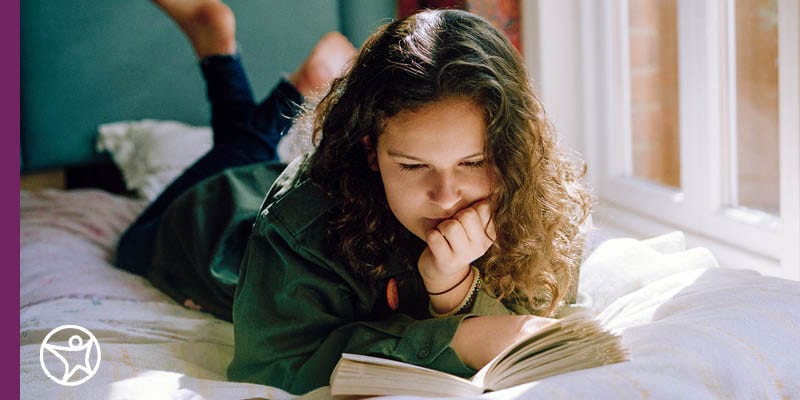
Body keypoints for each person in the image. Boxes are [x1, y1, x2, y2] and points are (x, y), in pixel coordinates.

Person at [116, 0, 592, 395]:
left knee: (245, 147)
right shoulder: (295, 226)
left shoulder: (541, 196)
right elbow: (275, 365)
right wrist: (460, 338)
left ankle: (251, 70)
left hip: (273, 183)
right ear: (370, 152)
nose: (446, 196)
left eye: (473, 162)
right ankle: (230, 54)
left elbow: (539, 313)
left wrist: (451, 287)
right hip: (215, 220)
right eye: (413, 165)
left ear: (511, 146)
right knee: (143, 235)